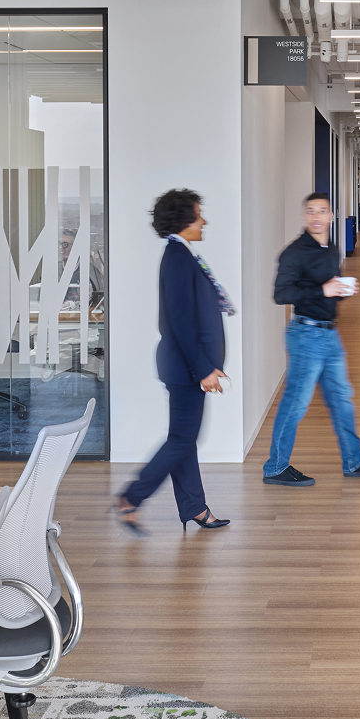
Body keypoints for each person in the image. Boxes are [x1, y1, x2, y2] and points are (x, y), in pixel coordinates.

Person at [115, 189, 233, 535]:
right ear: (184, 220)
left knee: (183, 438)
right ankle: (131, 497)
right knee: (182, 440)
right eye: (199, 215)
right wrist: (204, 369)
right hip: (185, 369)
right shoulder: (179, 258)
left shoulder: (182, 254)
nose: (204, 221)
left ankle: (196, 508)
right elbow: (179, 323)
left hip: (185, 367)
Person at [263, 192, 360, 487]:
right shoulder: (294, 252)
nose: (316, 217)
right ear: (304, 216)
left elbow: (330, 287)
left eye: (322, 211)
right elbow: (281, 294)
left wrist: (342, 291)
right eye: (311, 211)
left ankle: (355, 461)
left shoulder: (331, 249)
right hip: (306, 335)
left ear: (331, 216)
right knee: (296, 403)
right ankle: (275, 467)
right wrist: (323, 291)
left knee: (341, 399)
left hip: (329, 335)